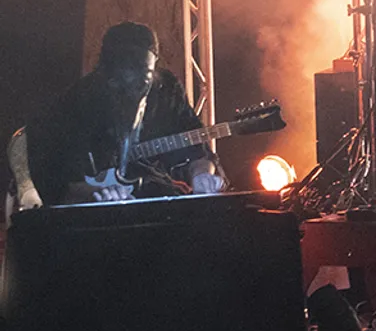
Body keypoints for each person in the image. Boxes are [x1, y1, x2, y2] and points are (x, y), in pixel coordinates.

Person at [10, 22, 224, 208]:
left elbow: (196, 147)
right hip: (91, 216)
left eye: (144, 79)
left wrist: (202, 174)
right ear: (104, 73)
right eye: (119, 82)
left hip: (150, 196)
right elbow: (53, 175)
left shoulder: (167, 90)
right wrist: (94, 193)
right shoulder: (78, 102)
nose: (133, 91)